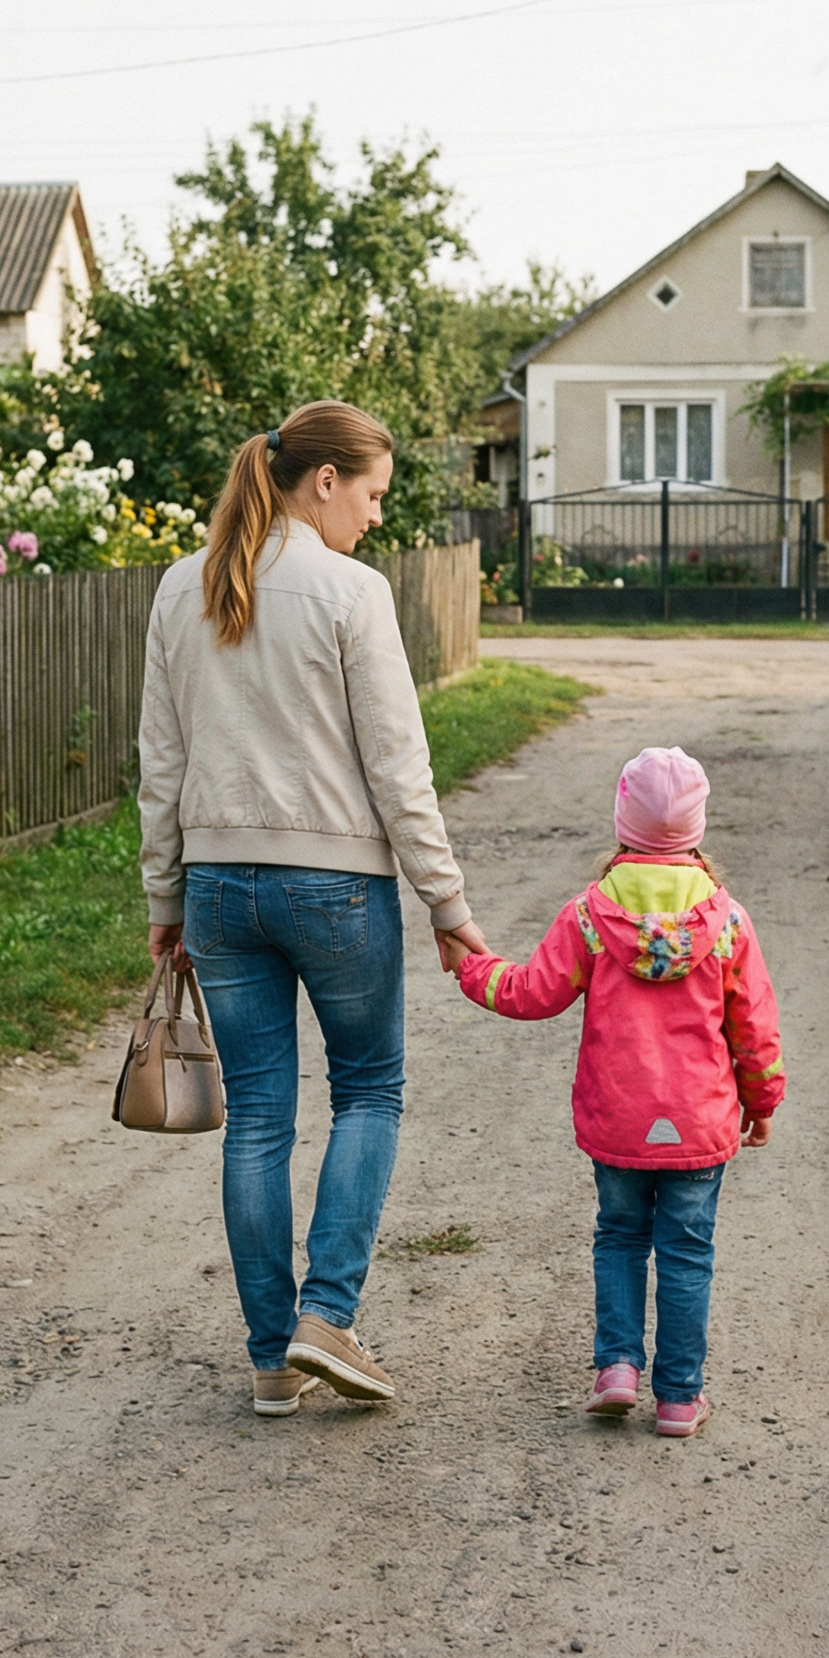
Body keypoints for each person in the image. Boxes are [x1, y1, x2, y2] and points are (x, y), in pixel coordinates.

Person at [138, 400, 487, 1418]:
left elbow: (160, 761)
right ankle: (326, 1314)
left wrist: (165, 891)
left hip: (217, 886)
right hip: (336, 886)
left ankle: (271, 1359)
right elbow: (398, 766)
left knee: (255, 1119)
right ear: (324, 481)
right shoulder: (350, 591)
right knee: (369, 1089)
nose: (376, 517)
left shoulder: (183, 587)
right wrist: (447, 901)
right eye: (372, 494)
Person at [451, 746, 782, 1438]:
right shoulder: (726, 923)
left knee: (622, 1236)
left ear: (622, 824)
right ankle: (680, 1398)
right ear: (696, 829)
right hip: (698, 1124)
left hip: (619, 1122)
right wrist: (762, 1102)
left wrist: (471, 966)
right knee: (687, 1252)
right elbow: (754, 1029)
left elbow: (531, 993)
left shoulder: (589, 917)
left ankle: (618, 1369)